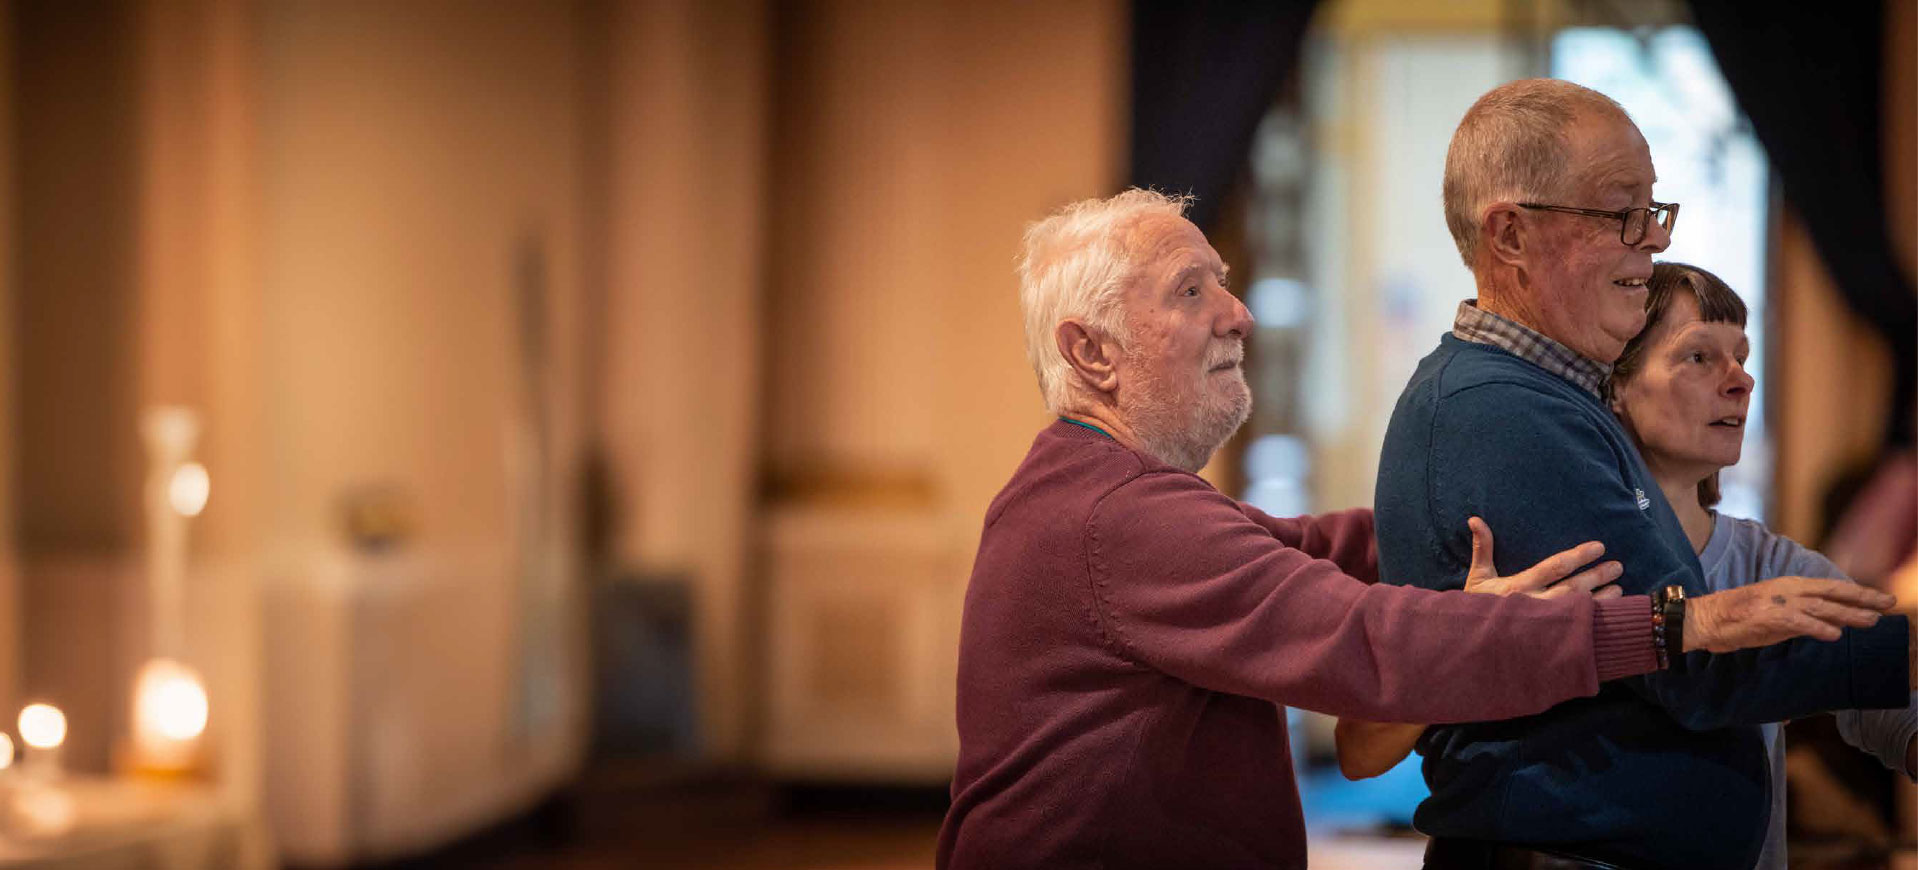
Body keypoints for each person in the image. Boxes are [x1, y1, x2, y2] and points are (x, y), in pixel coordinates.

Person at [935, 188, 1896, 870]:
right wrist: (1669, 625)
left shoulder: (1108, 496)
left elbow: (1307, 549)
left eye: (1223, 283)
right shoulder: (1117, 516)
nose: (1238, 312)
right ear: (1090, 351)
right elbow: (1369, 645)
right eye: (1192, 292)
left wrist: (1509, 498)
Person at [1371, 78, 1916, 870]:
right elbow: (1690, 658)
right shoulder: (1504, 409)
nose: (1650, 240)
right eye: (1620, 212)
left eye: (1653, 210)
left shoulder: (1538, 399)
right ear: (1511, 235)